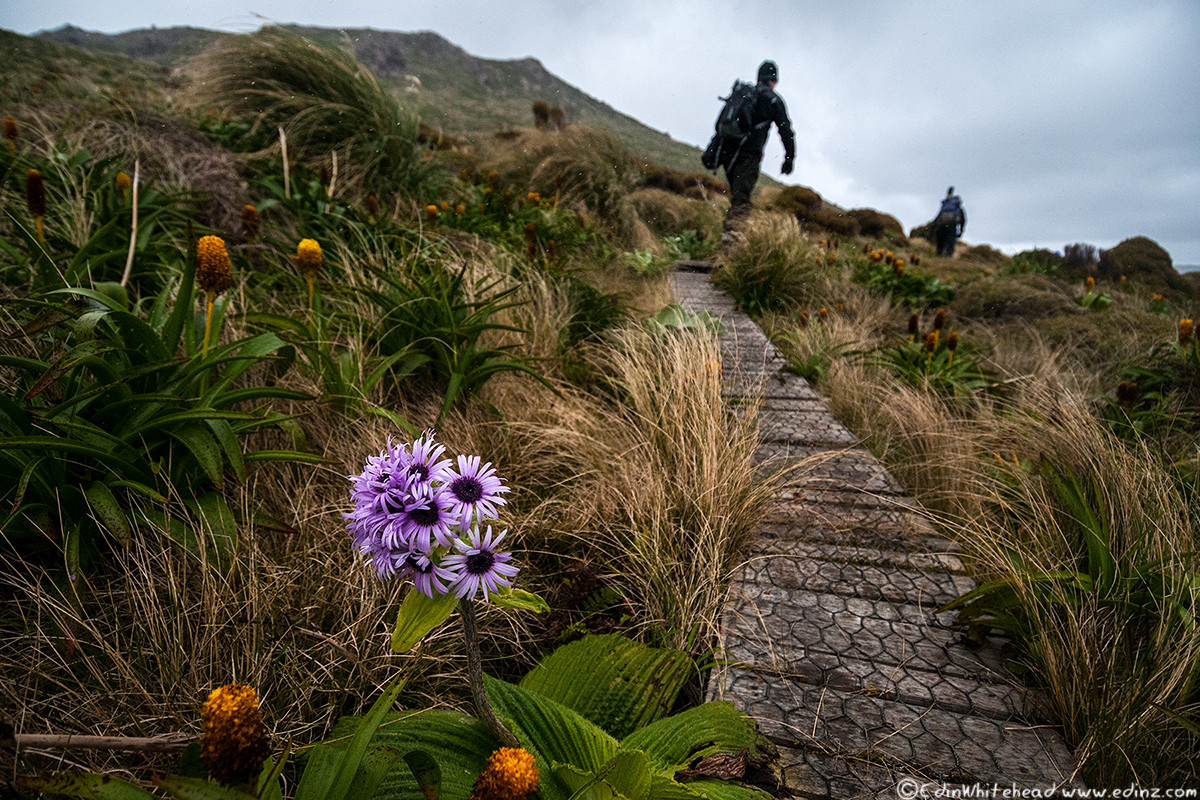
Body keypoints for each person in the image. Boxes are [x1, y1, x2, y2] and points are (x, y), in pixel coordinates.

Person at [704, 60, 795, 238]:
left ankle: (727, 238)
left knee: (737, 197)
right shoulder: (773, 100)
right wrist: (789, 158)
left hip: (727, 152)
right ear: (774, 80)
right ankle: (731, 246)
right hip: (748, 155)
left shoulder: (745, 94)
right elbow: (785, 131)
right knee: (741, 201)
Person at [933, 186, 966, 256]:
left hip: (941, 226)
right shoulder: (958, 209)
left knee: (940, 244)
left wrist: (932, 228)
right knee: (950, 245)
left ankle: (938, 257)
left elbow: (938, 217)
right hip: (951, 226)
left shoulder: (945, 205)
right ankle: (948, 258)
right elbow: (963, 221)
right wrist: (960, 231)